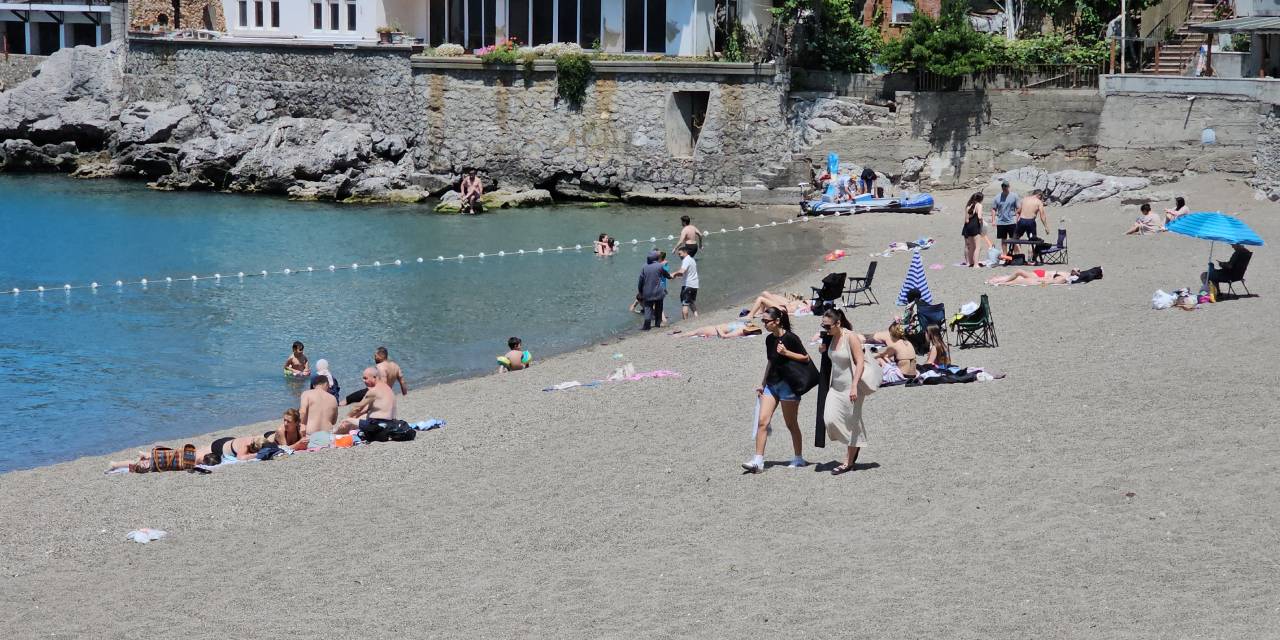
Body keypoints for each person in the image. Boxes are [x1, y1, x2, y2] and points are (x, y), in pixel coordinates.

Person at [743, 307, 811, 473]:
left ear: (777, 321)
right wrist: (763, 383)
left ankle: (798, 458)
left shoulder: (791, 338)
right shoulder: (769, 340)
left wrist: (787, 352)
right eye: (763, 321)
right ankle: (758, 461)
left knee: (791, 424)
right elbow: (770, 362)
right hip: (772, 386)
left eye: (767, 321)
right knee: (762, 422)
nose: (764, 324)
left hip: (789, 386)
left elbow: (806, 358)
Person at [818, 309, 868, 475]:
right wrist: (824, 350)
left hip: (850, 387)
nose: (825, 329)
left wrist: (854, 385)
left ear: (838, 323)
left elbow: (860, 362)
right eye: (823, 326)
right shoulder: (830, 336)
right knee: (830, 420)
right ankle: (854, 446)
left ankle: (848, 461)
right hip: (835, 387)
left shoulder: (850, 337)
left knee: (852, 423)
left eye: (827, 326)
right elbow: (832, 359)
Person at [337, 367, 397, 434]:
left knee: (348, 422)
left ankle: (335, 434)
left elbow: (357, 408)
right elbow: (365, 409)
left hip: (378, 426)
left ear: (374, 377)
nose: (363, 381)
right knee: (356, 418)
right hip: (390, 423)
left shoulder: (373, 391)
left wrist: (346, 418)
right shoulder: (387, 388)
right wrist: (355, 416)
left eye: (365, 378)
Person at [637, 250, 670, 330]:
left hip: (647, 292)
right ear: (656, 258)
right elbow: (666, 274)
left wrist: (640, 291)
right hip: (659, 291)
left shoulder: (644, 267)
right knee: (659, 307)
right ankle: (658, 323)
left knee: (648, 308)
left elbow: (640, 281)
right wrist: (670, 276)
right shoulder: (659, 266)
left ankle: (647, 326)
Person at [668, 244, 699, 320]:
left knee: (685, 304)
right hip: (694, 285)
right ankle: (697, 317)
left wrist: (673, 274)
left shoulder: (686, 260)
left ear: (685, 252)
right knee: (691, 302)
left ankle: (685, 322)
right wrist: (676, 276)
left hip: (688, 285)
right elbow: (687, 273)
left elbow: (682, 271)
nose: (679, 256)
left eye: (680, 254)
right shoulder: (692, 259)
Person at [987, 268, 1097, 286]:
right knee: (1018, 276)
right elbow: (1075, 269)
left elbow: (1048, 282)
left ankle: (999, 281)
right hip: (1040, 274)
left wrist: (1041, 282)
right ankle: (999, 280)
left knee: (1019, 276)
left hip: (1040, 277)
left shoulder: (1064, 278)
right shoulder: (1069, 274)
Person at [745, 291, 810, 318]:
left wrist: (785, 314)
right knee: (765, 293)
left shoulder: (807, 309)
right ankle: (760, 311)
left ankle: (750, 316)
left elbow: (797, 314)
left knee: (761, 299)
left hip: (783, 309)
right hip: (787, 304)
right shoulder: (810, 303)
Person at [961, 192, 984, 268]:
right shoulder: (979, 205)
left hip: (967, 227)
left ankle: (970, 262)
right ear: (980, 199)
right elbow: (980, 217)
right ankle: (976, 264)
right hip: (975, 226)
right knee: (978, 247)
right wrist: (982, 224)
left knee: (970, 246)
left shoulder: (968, 206)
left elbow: (966, 220)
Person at [679, 320, 762, 338]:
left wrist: (719, 330)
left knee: (695, 332)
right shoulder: (744, 325)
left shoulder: (741, 330)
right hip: (714, 329)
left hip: (714, 330)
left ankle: (679, 336)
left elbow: (724, 335)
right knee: (694, 332)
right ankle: (679, 336)